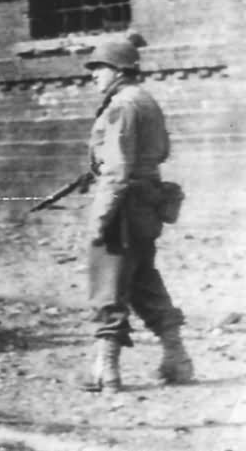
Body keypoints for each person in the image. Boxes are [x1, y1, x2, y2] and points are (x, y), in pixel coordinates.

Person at [81, 37, 194, 393]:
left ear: (118, 70)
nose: (94, 76)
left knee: (108, 283)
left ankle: (106, 369)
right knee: (144, 280)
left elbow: (116, 169)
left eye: (99, 68)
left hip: (123, 208)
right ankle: (177, 359)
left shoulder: (122, 105)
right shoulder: (145, 100)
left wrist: (100, 220)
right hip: (146, 204)